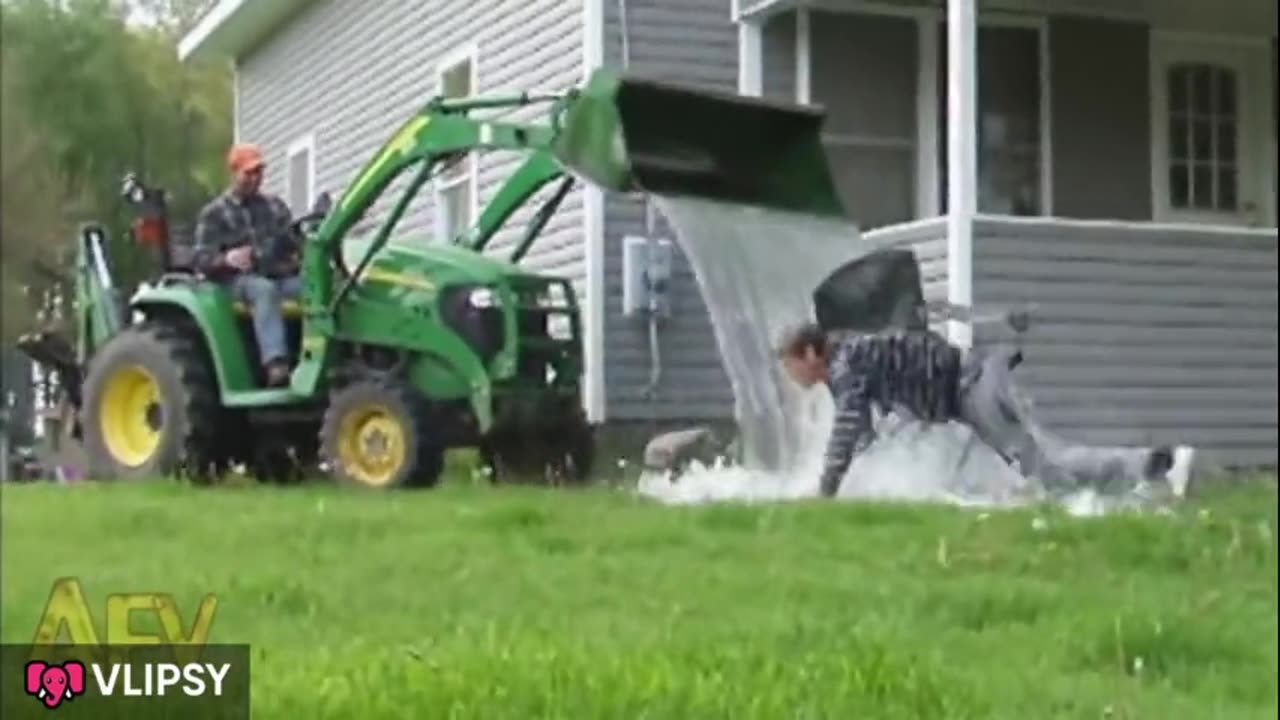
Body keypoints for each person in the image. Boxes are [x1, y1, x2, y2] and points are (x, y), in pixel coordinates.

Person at [775, 321, 1195, 500]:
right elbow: (863, 435)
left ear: (810, 353)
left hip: (975, 386)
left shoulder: (846, 363)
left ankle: (1154, 473)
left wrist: (825, 492)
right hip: (972, 388)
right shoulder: (848, 358)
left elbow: (847, 431)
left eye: (791, 365)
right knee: (1045, 460)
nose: (791, 376)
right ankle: (1154, 467)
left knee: (1047, 465)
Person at [193, 143, 300, 387]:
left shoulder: (274, 206)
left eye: (259, 172)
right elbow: (200, 259)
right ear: (234, 173)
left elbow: (293, 241)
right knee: (263, 290)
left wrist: (297, 253)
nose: (255, 179)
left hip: (277, 275)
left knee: (315, 288)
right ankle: (276, 364)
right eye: (249, 173)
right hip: (235, 282)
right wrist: (226, 259)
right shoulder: (214, 213)